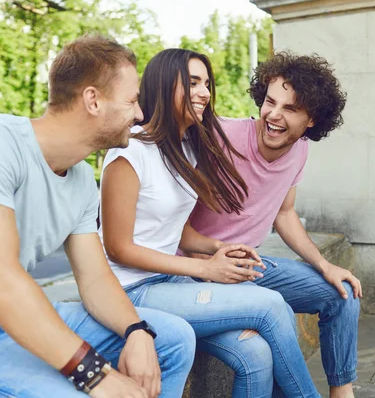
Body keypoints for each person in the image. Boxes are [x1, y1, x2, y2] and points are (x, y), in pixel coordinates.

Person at [0, 35, 196, 398]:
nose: (139, 114)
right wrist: (95, 375)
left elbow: (94, 280)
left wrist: (136, 331)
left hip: (11, 321)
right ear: (93, 100)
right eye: (132, 100)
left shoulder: (80, 182)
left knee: (172, 339)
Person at [99, 48, 320, 398]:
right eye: (192, 83)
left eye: (206, 83)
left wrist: (217, 247)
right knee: (271, 305)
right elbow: (118, 247)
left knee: (257, 355)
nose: (204, 92)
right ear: (162, 85)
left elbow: (174, 227)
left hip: (169, 283)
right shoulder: (130, 153)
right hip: (129, 292)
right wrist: (205, 269)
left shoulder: (184, 149)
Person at [185, 51, 360, 398]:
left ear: (311, 120)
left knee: (343, 295)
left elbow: (284, 213)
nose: (274, 116)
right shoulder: (220, 138)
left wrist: (324, 265)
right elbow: (169, 219)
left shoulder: (300, 150)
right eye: (270, 102)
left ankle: (342, 392)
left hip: (248, 268)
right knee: (265, 345)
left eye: (290, 109)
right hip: (194, 271)